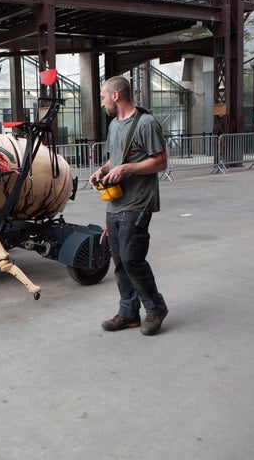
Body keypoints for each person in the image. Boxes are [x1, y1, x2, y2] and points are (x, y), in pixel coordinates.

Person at [89, 76, 169, 336]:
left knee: (132, 258)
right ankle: (128, 314)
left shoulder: (146, 124)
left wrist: (127, 169)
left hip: (138, 203)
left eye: (103, 97)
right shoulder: (114, 125)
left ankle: (155, 309)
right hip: (114, 204)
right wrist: (103, 170)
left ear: (115, 96)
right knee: (120, 262)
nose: (102, 103)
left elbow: (160, 162)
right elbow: (116, 158)